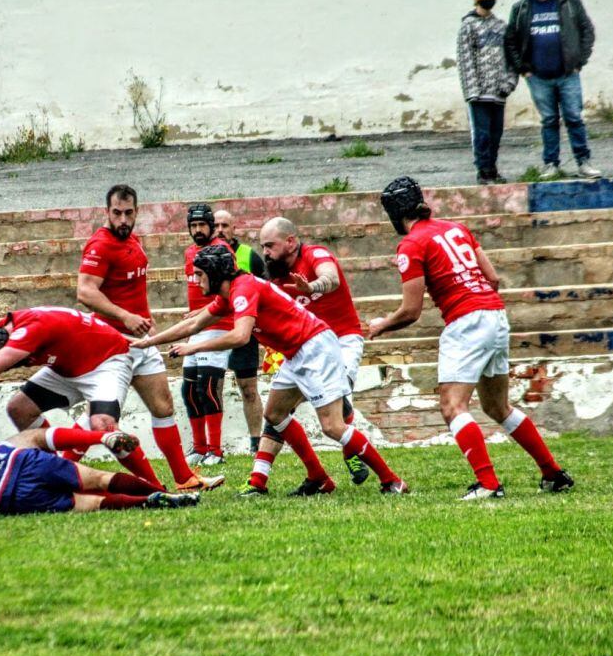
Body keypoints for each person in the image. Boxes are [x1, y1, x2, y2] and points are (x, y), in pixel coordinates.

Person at [134, 245, 408, 497]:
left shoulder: (242, 289)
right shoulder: (230, 292)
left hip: (315, 349)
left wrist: (194, 349)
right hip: (297, 351)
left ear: (215, 273)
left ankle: (391, 480)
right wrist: (148, 342)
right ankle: (319, 478)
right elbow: (193, 325)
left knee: (332, 426)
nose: (197, 280)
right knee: (275, 414)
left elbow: (241, 336)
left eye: (200, 275)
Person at [370, 176, 574, 499]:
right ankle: (553, 473)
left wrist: (381, 325)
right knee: (497, 406)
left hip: (466, 321)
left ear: (395, 214)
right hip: (495, 313)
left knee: (453, 406)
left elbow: (411, 311)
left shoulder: (410, 244)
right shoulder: (456, 228)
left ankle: (489, 484)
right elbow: (492, 278)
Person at [77, 185, 223, 491]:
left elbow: (130, 290)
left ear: (136, 212)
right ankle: (62, 472)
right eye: (116, 213)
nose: (123, 219)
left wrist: (145, 320)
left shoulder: (131, 240)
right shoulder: (100, 245)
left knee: (163, 406)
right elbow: (85, 291)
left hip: (141, 341)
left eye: (129, 213)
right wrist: (126, 317)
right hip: (110, 343)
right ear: (107, 212)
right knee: (101, 419)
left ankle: (185, 478)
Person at [0, 305, 182, 490]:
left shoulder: (30, 329)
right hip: (68, 365)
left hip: (107, 359)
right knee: (19, 408)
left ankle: (154, 486)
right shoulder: (2, 331)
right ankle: (57, 474)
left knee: (104, 425)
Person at [241, 216, 386, 496]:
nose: (266, 253)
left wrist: (312, 287)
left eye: (270, 245)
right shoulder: (276, 274)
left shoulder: (315, 255)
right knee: (277, 411)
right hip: (304, 347)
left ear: (291, 242)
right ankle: (259, 481)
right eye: (263, 247)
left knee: (338, 404)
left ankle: (353, 454)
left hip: (341, 340)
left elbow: (330, 278)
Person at [0, 421, 199, 518]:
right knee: (99, 479)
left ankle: (149, 503)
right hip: (17, 460)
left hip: (7, 495)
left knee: (92, 502)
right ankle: (163, 493)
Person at [504, 0, 600, 180]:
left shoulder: (570, 2)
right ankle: (551, 164)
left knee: (574, 117)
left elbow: (587, 31)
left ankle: (584, 162)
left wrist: (579, 62)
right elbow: (510, 39)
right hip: (538, 77)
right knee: (549, 121)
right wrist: (523, 69)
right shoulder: (521, 8)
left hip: (568, 75)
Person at [179, 203, 234, 466]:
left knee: (208, 387)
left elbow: (227, 291)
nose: (198, 230)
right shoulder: (190, 252)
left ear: (211, 225)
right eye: (193, 225)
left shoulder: (222, 251)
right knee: (189, 389)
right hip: (196, 328)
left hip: (217, 324)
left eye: (202, 225)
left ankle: (216, 450)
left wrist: (202, 313)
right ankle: (199, 448)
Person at [213, 211, 265, 455]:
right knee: (214, 387)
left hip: (243, 330)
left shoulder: (249, 256)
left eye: (225, 225)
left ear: (235, 228)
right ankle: (214, 446)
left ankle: (256, 441)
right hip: (215, 329)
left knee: (248, 388)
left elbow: (267, 286)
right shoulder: (204, 256)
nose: (220, 229)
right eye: (217, 225)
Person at [457, 0, 518, 185]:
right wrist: (472, 90)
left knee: (495, 134)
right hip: (478, 93)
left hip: (498, 92)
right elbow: (465, 61)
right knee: (481, 134)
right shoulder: (468, 26)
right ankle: (483, 171)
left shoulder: (501, 26)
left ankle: (492, 168)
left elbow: (511, 58)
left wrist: (509, 84)